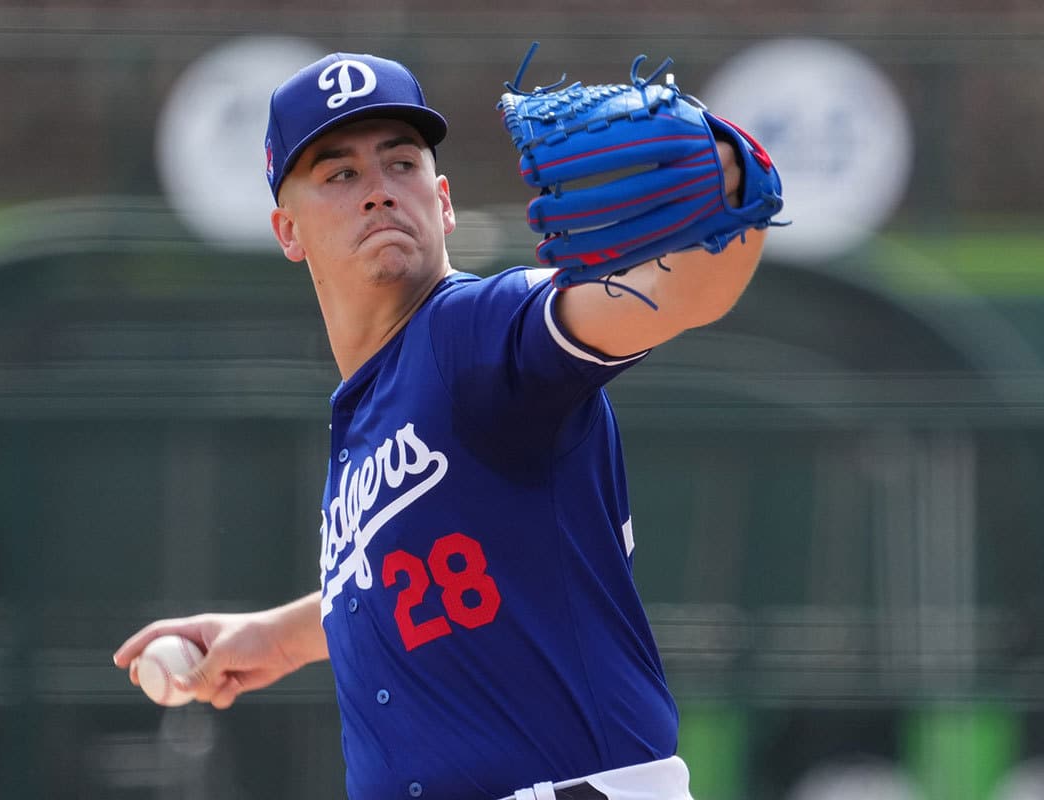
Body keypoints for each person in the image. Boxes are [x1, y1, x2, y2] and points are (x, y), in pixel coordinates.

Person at [114, 50, 770, 800]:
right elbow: (420, 578)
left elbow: (673, 294)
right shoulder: (367, 407)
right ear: (286, 231)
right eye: (340, 174)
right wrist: (277, 637)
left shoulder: (477, 331)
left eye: (401, 164)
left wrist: (735, 188)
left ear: (444, 200)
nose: (379, 193)